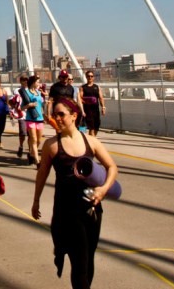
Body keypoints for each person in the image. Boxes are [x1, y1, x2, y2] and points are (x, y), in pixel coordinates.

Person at [32, 97, 118, 288]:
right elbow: (42, 175)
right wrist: (36, 200)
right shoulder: (52, 145)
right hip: (66, 211)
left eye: (61, 114)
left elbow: (112, 167)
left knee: (88, 259)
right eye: (55, 115)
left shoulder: (91, 142)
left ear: (74, 115)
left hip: (91, 208)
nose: (57, 118)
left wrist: (103, 190)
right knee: (78, 260)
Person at [24, 74, 44, 167]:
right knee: (34, 139)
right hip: (30, 118)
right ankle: (37, 161)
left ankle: (31, 154)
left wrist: (45, 114)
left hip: (40, 118)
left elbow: (41, 105)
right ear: (33, 83)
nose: (39, 83)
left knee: (39, 140)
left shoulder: (39, 92)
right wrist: (30, 105)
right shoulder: (26, 93)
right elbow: (22, 107)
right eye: (38, 81)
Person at [79, 72, 106, 137]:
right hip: (87, 111)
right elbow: (80, 99)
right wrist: (83, 109)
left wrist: (103, 107)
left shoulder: (97, 87)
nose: (90, 77)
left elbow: (101, 98)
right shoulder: (83, 87)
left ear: (93, 77)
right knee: (91, 128)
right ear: (86, 77)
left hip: (96, 110)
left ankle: (92, 139)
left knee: (96, 126)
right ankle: (92, 141)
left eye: (91, 76)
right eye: (88, 76)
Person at [12, 74, 29, 158]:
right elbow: (12, 101)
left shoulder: (31, 90)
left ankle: (31, 151)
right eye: (23, 80)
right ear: (20, 81)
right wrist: (14, 110)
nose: (25, 81)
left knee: (31, 134)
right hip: (22, 115)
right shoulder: (17, 90)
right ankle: (21, 146)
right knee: (23, 132)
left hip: (31, 115)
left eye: (26, 79)